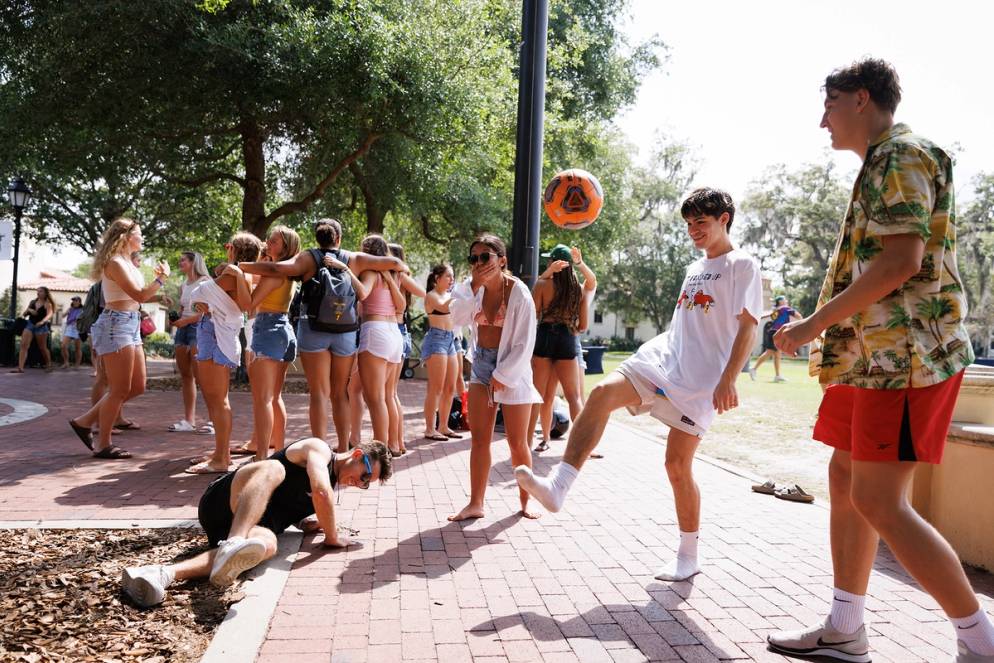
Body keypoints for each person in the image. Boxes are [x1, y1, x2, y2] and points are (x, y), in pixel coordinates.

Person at [766, 58, 992, 663]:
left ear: (861, 99)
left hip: (905, 358)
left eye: (830, 106)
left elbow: (900, 263)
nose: (823, 121)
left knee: (881, 500)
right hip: (874, 358)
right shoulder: (885, 161)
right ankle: (846, 627)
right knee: (845, 480)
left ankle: (980, 638)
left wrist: (815, 323)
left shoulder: (900, 154)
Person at [515, 188, 762, 581]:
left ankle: (688, 554)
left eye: (702, 222)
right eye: (689, 223)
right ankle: (559, 486)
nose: (694, 230)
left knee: (676, 466)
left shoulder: (742, 265)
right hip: (664, 357)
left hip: (701, 379)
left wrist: (729, 378)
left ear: (724, 220)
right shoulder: (693, 269)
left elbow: (749, 326)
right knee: (599, 394)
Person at [121, 438, 393, 608]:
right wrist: (332, 537)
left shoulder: (327, 484)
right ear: (357, 454)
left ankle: (160, 574)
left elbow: (300, 498)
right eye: (365, 474)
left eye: (366, 484)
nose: (360, 483)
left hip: (246, 521)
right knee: (273, 467)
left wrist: (304, 521)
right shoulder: (319, 450)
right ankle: (235, 541)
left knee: (266, 545)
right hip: (225, 497)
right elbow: (320, 491)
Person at [239, 219, 406, 452]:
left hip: (313, 330)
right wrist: (392, 270)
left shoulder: (308, 258)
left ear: (318, 238)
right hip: (345, 333)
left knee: (318, 394)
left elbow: (277, 268)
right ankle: (342, 448)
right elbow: (395, 262)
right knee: (340, 394)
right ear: (339, 238)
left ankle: (320, 449)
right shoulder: (354, 258)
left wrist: (241, 266)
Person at [447, 234, 543, 521]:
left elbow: (525, 343)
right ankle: (476, 503)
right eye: (473, 258)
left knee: (517, 442)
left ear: (502, 260)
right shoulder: (471, 289)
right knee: (479, 438)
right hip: (481, 365)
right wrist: (473, 285)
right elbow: (458, 318)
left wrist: (503, 375)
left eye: (485, 256)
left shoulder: (519, 292)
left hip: (513, 368)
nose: (478, 263)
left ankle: (527, 501)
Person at [68, 219, 171, 459]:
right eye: (139, 234)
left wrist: (156, 288)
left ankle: (85, 421)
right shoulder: (115, 263)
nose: (142, 238)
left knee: (137, 386)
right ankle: (103, 444)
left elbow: (137, 297)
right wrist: (161, 279)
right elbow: (139, 294)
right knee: (119, 389)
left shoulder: (128, 262)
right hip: (115, 325)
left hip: (130, 323)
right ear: (125, 237)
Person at [185, 233, 259, 474]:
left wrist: (226, 274)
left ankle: (221, 458)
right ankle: (219, 453)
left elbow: (200, 292)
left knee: (217, 399)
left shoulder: (235, 274)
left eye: (229, 247)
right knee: (213, 397)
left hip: (217, 332)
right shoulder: (237, 274)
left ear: (233, 250)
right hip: (213, 328)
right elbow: (201, 298)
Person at [528, 245, 595, 453]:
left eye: (549, 262)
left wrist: (545, 276)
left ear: (554, 265)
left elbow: (532, 312)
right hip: (567, 337)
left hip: (545, 336)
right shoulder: (579, 290)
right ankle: (583, 447)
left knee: (539, 395)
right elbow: (583, 326)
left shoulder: (542, 284)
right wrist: (580, 263)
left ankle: (531, 441)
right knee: (574, 397)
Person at [245, 226, 301, 462]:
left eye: (275, 241)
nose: (268, 243)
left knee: (263, 399)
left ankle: (261, 458)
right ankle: (280, 452)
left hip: (268, 328)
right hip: (284, 329)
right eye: (269, 239)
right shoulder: (288, 273)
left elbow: (249, 304)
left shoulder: (275, 273)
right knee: (275, 397)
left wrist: (239, 278)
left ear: (286, 247)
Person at [356, 235, 406, 452]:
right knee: (387, 395)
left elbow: (363, 292)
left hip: (375, 331)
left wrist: (347, 272)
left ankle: (380, 449)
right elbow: (401, 306)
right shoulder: (392, 275)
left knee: (374, 398)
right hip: (394, 333)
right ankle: (393, 444)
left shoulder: (369, 272)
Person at [168, 251, 212, 433]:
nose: (180, 262)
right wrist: (176, 316)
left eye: (183, 260)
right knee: (186, 376)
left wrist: (185, 321)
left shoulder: (206, 282)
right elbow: (184, 308)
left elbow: (208, 310)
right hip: (182, 331)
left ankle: (213, 421)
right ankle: (189, 421)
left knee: (203, 377)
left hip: (199, 329)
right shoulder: (183, 285)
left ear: (194, 262)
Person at [387, 242, 425, 454]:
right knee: (392, 394)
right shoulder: (398, 277)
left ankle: (393, 442)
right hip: (401, 332)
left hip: (393, 330)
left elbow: (422, 292)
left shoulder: (396, 275)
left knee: (387, 394)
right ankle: (398, 442)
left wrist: (400, 273)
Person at [422, 264, 463, 442]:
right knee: (436, 388)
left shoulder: (449, 296)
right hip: (436, 339)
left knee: (449, 388)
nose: (451, 280)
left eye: (452, 277)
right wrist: (458, 294)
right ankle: (430, 429)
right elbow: (442, 307)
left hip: (451, 340)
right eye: (448, 277)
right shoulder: (431, 296)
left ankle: (443, 426)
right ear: (437, 278)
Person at [749, 295, 801, 382]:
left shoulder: (776, 310)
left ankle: (777, 375)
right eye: (785, 299)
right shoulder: (785, 308)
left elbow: (773, 318)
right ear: (780, 301)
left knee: (777, 354)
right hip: (777, 332)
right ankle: (753, 368)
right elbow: (799, 316)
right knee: (770, 352)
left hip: (772, 331)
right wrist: (802, 324)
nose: (786, 301)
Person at [12, 286, 56, 372]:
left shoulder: (48, 304)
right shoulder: (33, 302)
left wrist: (42, 322)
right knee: (24, 345)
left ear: (45, 293)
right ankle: (20, 368)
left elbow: (49, 315)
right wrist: (29, 310)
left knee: (42, 348)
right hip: (30, 324)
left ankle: (49, 365)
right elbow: (24, 314)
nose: (38, 293)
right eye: (37, 291)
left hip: (41, 327)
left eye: (40, 291)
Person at [61, 295, 84, 369]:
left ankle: (77, 365)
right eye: (73, 300)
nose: (74, 302)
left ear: (80, 302)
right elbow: (62, 316)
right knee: (63, 346)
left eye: (76, 300)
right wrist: (67, 311)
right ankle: (66, 362)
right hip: (69, 328)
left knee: (77, 348)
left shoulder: (83, 310)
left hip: (78, 329)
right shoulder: (70, 309)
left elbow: (85, 319)